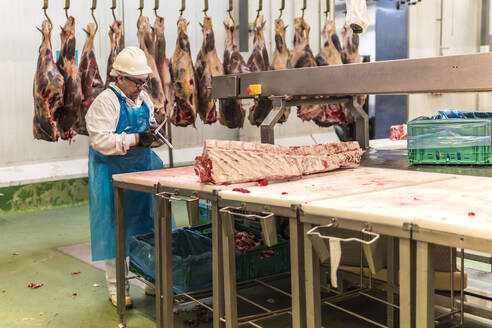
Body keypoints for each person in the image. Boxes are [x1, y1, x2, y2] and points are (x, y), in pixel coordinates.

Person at [86, 46, 164, 308]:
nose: (142, 87)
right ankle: (118, 288)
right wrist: (135, 138)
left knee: (150, 227)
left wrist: (152, 136)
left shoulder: (144, 100)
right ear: (119, 78)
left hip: (143, 172)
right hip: (112, 175)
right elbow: (100, 141)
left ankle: (154, 282)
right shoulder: (105, 102)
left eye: (144, 82)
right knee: (116, 232)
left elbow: (148, 127)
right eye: (137, 82)